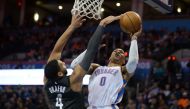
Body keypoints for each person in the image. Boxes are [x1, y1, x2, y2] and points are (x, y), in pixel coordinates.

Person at [43, 13, 121, 109]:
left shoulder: (47, 81)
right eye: (61, 64)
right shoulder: (73, 80)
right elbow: (90, 52)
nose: (63, 62)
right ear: (59, 74)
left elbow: (56, 51)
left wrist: (72, 26)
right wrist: (102, 24)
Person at [70, 20, 142, 109]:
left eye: (122, 52)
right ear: (109, 58)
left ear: (124, 61)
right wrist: (91, 50)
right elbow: (74, 66)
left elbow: (133, 62)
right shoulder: (96, 68)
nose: (118, 51)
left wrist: (134, 39)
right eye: (115, 50)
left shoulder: (123, 71)